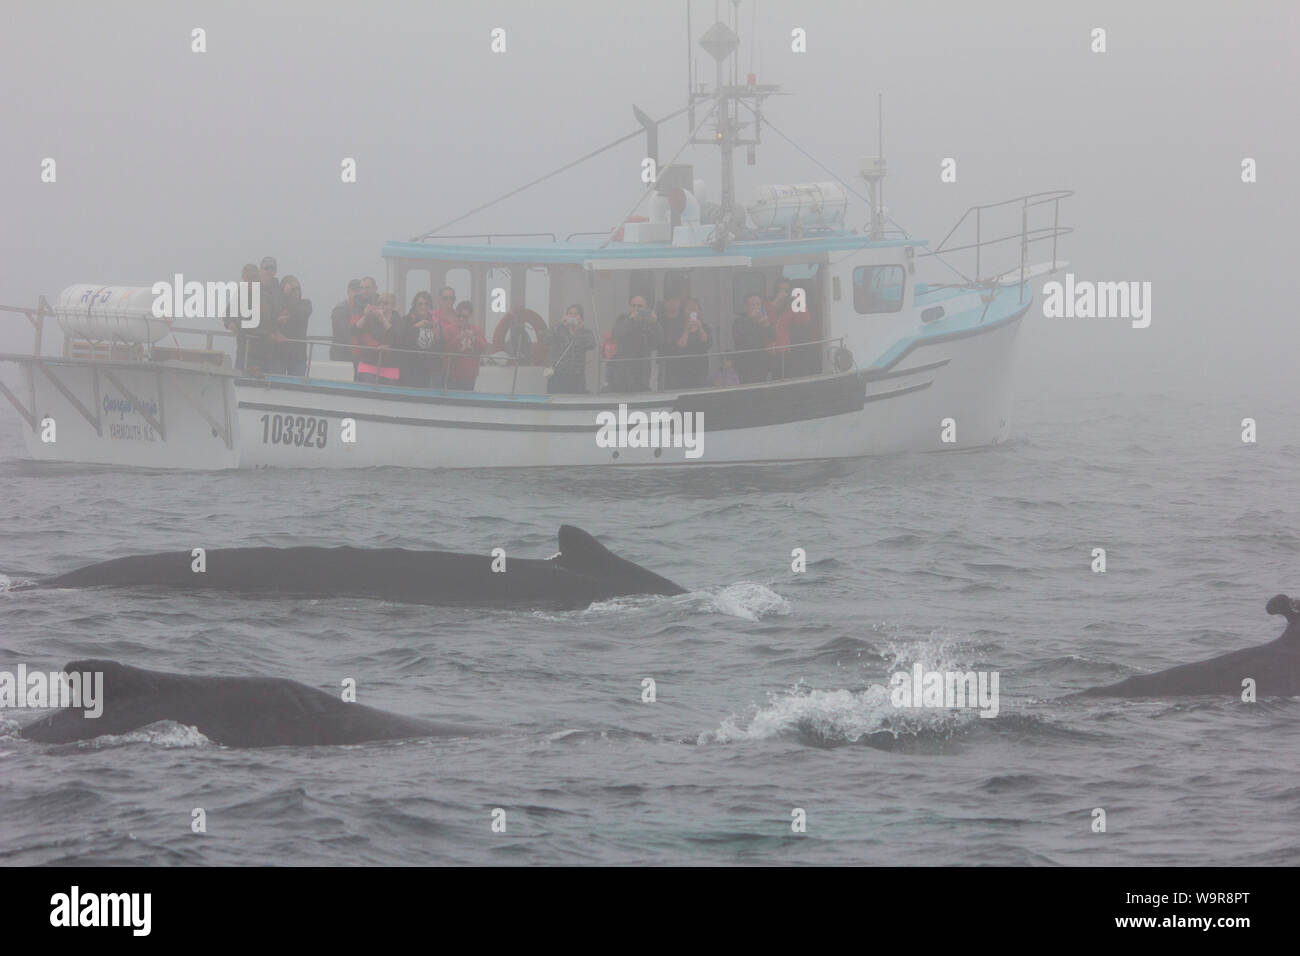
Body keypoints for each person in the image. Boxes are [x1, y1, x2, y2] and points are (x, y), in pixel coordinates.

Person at [610, 294, 663, 392]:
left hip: (643, 370)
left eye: (639, 306)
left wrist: (655, 323)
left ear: (646, 308)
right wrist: (630, 320)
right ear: (629, 307)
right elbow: (616, 334)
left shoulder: (649, 322)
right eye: (633, 305)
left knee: (641, 402)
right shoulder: (623, 319)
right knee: (623, 405)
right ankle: (623, 407)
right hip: (624, 370)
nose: (636, 308)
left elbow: (659, 341)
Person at [546, 304, 596, 394]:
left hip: (577, 376)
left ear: (581, 317)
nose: (572, 316)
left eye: (576, 314)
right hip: (559, 374)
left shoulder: (585, 332)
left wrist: (580, 328)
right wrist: (560, 324)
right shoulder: (559, 329)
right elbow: (547, 339)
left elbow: (592, 344)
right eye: (570, 314)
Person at [441, 300, 488, 391]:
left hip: (470, 376)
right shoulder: (449, 329)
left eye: (465, 317)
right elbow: (445, 350)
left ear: (470, 316)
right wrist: (458, 339)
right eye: (459, 316)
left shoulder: (477, 330)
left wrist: (474, 339)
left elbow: (484, 348)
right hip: (452, 376)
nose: (461, 319)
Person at [273, 275, 312, 376]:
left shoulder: (306, 304)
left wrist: (287, 296)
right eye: (292, 289)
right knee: (276, 384)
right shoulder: (277, 303)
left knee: (297, 386)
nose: (296, 291)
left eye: (297, 288)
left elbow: (300, 314)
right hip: (278, 353)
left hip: (298, 355)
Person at [352, 300, 398, 383]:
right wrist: (366, 315)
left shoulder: (398, 320)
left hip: (389, 368)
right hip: (368, 365)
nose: (382, 306)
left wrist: (383, 319)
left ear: (393, 306)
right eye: (379, 303)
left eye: (385, 303)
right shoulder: (371, 319)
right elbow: (355, 331)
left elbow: (395, 336)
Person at [732, 293, 773, 384]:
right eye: (753, 304)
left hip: (761, 364)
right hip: (745, 365)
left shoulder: (763, 321)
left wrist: (767, 326)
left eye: (758, 304)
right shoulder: (738, 322)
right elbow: (745, 342)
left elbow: (771, 339)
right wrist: (754, 321)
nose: (756, 307)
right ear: (746, 307)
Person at [670, 297, 711, 389]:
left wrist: (700, 328)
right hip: (682, 368)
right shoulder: (677, 327)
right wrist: (687, 330)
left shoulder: (705, 326)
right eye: (689, 309)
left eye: (695, 309)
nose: (692, 312)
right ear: (683, 311)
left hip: (700, 368)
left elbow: (706, 342)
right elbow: (680, 345)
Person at [400, 291, 438, 388]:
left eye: (426, 304)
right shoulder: (405, 320)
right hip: (409, 370)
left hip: (428, 370)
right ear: (414, 306)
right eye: (420, 304)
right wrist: (415, 327)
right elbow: (400, 341)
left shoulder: (435, 323)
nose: (423, 307)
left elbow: (439, 347)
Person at [226, 263, 260, 370]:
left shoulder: (265, 294)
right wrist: (229, 322)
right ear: (243, 278)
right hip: (242, 348)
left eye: (254, 277)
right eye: (248, 278)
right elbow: (227, 313)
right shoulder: (240, 294)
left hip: (262, 352)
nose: (251, 281)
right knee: (239, 382)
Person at [654, 285, 687, 388]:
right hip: (664, 363)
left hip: (683, 361)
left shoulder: (685, 320)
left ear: (680, 302)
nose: (673, 303)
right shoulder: (658, 321)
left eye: (675, 300)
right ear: (664, 303)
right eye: (669, 300)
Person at [330, 279, 362, 361]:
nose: (357, 293)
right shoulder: (340, 309)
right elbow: (345, 334)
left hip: (356, 354)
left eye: (359, 291)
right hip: (342, 354)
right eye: (354, 290)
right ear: (348, 292)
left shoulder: (361, 309)